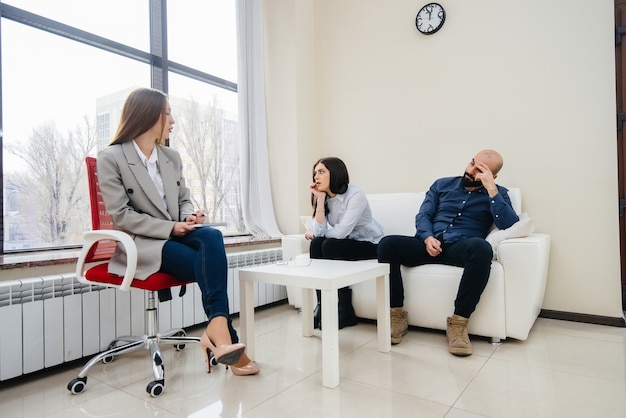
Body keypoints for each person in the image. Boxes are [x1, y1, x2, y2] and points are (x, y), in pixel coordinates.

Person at [97, 87, 259, 376]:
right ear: (148, 116)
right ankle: (224, 335)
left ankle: (218, 330)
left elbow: (184, 197)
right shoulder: (112, 157)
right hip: (141, 242)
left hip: (175, 231)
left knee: (211, 235)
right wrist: (171, 226)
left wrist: (188, 215)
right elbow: (121, 215)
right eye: (168, 113)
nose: (172, 120)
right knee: (207, 264)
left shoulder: (170, 156)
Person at [377, 149, 519, 355]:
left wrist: (491, 189)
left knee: (482, 248)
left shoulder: (498, 193)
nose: (471, 170)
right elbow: (424, 214)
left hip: (460, 247)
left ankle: (459, 323)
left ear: (492, 175)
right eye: (472, 163)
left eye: (480, 170)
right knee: (387, 243)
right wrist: (427, 237)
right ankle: (396, 316)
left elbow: (509, 224)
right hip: (429, 243)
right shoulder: (441, 185)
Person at [305, 157, 384, 329]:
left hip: (371, 244)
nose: (316, 177)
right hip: (346, 244)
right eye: (315, 173)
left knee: (328, 244)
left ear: (335, 173)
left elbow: (340, 232)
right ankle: (322, 306)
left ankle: (345, 309)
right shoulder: (325, 197)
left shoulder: (355, 195)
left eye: (321, 172)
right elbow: (318, 233)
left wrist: (320, 233)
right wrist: (319, 199)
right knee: (317, 244)